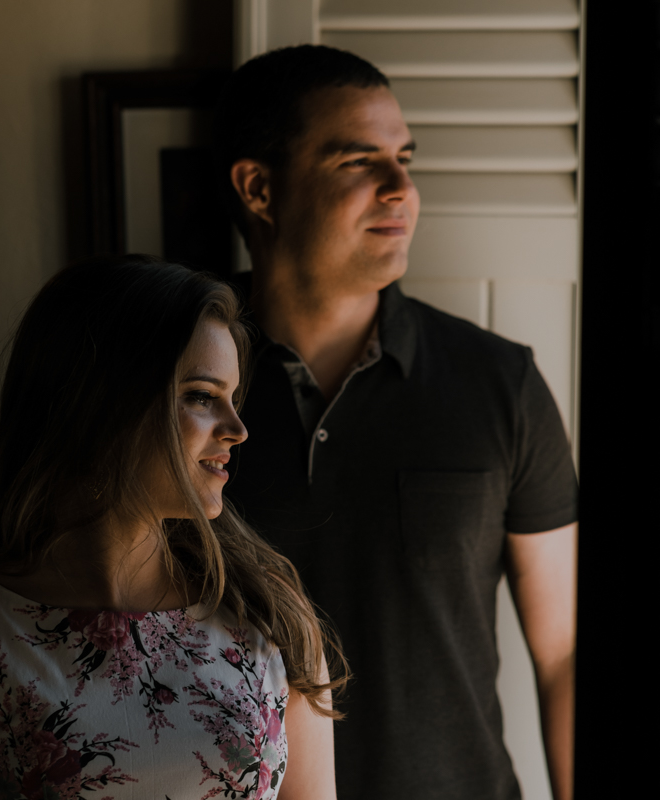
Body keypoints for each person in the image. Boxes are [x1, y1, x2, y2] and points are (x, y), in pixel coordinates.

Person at [215, 46, 578, 800]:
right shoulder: (172, 390)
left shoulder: (499, 383)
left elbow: (567, 655)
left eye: (405, 158)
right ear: (258, 188)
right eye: (358, 161)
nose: (402, 189)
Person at [0, 258, 344, 800]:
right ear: (103, 404)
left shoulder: (268, 619)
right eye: (201, 396)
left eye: (232, 398)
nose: (238, 430)